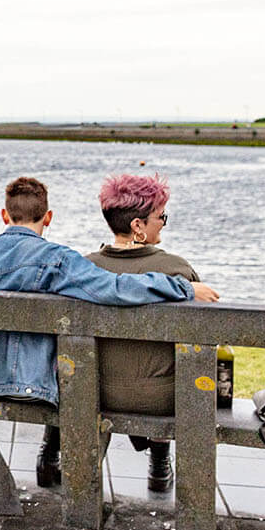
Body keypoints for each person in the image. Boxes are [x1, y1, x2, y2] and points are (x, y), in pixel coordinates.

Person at [0, 176, 219, 486]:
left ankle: (50, 454)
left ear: (4, 215)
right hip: (35, 389)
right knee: (74, 373)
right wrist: (182, 287)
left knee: (72, 368)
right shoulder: (59, 263)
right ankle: (157, 459)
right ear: (48, 218)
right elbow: (114, 288)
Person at [86, 173, 205, 493]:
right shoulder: (177, 270)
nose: (164, 223)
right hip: (160, 399)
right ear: (138, 225)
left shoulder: (84, 268)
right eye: (160, 216)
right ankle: (159, 462)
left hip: (90, 391)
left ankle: (51, 458)